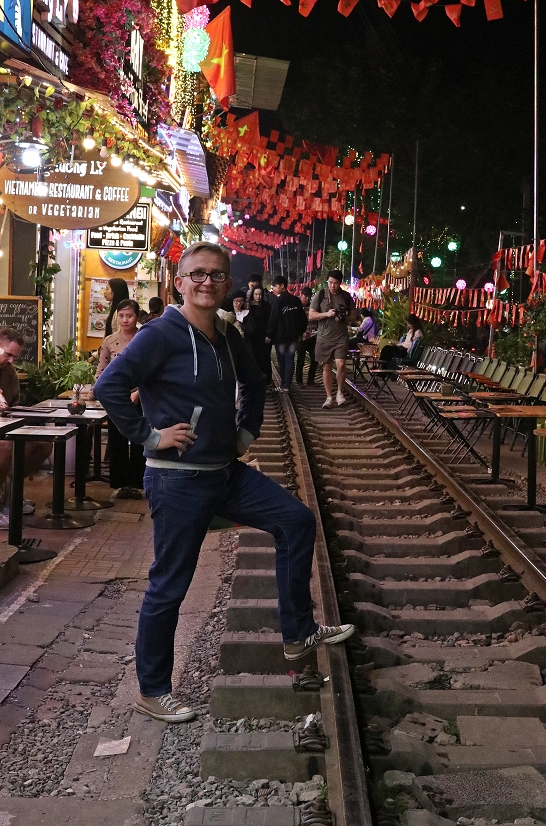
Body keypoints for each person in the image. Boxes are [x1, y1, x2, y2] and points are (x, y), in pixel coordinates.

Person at [93, 241, 354, 724]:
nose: (206, 282)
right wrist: (149, 435)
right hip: (178, 481)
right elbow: (108, 385)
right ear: (179, 281)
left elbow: (254, 385)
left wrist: (245, 433)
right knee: (170, 586)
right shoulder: (159, 334)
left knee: (296, 521)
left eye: (215, 275)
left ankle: (297, 635)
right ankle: (152, 689)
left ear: (228, 284)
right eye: (196, 274)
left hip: (226, 473)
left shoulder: (228, 336)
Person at [0, 327, 51, 527]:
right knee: (4, 447)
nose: (12, 361)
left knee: (43, 444)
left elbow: (12, 404)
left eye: (15, 357)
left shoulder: (9, 372)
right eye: (8, 354)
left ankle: (12, 496)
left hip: (5, 428)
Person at [95, 299, 145, 500]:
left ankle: (138, 484)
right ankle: (119, 484)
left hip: (141, 396)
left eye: (129, 316)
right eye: (121, 316)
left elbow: (151, 371)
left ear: (137, 317)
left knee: (141, 438)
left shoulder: (144, 337)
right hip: (117, 396)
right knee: (117, 439)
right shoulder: (109, 341)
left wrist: (138, 393)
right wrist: (99, 390)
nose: (125, 320)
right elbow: (102, 369)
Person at [308, 270, 357, 408]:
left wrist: (343, 316)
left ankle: (340, 393)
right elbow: (311, 315)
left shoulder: (346, 297)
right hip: (324, 336)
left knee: (341, 364)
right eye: (330, 283)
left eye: (335, 283)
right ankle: (329, 396)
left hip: (341, 336)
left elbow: (354, 317)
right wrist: (327, 314)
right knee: (327, 366)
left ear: (340, 283)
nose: (332, 286)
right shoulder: (321, 295)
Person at [266, 276, 307, 393]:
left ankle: (283, 383)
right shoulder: (296, 300)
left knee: (282, 360)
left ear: (282, 286)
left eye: (275, 286)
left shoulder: (278, 301)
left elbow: (273, 319)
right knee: (290, 359)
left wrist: (269, 335)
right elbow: (302, 318)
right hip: (293, 336)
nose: (273, 288)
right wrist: (301, 331)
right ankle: (287, 385)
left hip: (281, 337)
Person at [243, 285, 272, 384]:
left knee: (264, 359)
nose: (258, 297)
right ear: (252, 294)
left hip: (263, 337)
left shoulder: (266, 306)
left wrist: (269, 335)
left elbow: (270, 321)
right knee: (252, 358)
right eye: (256, 294)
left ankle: (266, 382)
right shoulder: (247, 306)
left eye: (260, 294)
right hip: (250, 337)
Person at [296, 287, 318, 386]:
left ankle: (311, 380)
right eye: (305, 296)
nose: (307, 298)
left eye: (309, 296)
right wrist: (301, 332)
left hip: (313, 336)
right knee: (301, 359)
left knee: (315, 358)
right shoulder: (297, 307)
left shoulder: (314, 307)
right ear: (301, 295)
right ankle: (299, 380)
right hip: (301, 337)